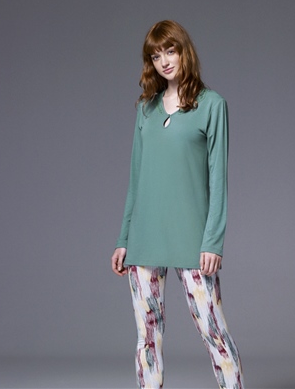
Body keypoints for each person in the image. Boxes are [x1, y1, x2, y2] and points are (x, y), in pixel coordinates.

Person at [111, 20, 244, 389]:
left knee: (214, 332)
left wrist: (213, 241)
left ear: (185, 51)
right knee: (147, 338)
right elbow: (136, 179)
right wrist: (123, 239)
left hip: (192, 240)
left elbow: (218, 180)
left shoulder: (212, 105)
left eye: (170, 51)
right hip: (144, 239)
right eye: (156, 56)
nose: (164, 61)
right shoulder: (146, 109)